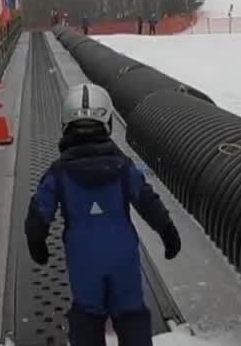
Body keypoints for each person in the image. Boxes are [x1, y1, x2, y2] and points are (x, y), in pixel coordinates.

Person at [24, 83, 181, 346]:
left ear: (65, 124)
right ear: (107, 121)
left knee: (87, 316)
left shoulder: (59, 172)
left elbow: (39, 212)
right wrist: (168, 232)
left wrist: (37, 244)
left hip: (83, 260)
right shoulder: (123, 167)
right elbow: (147, 200)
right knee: (131, 314)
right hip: (124, 258)